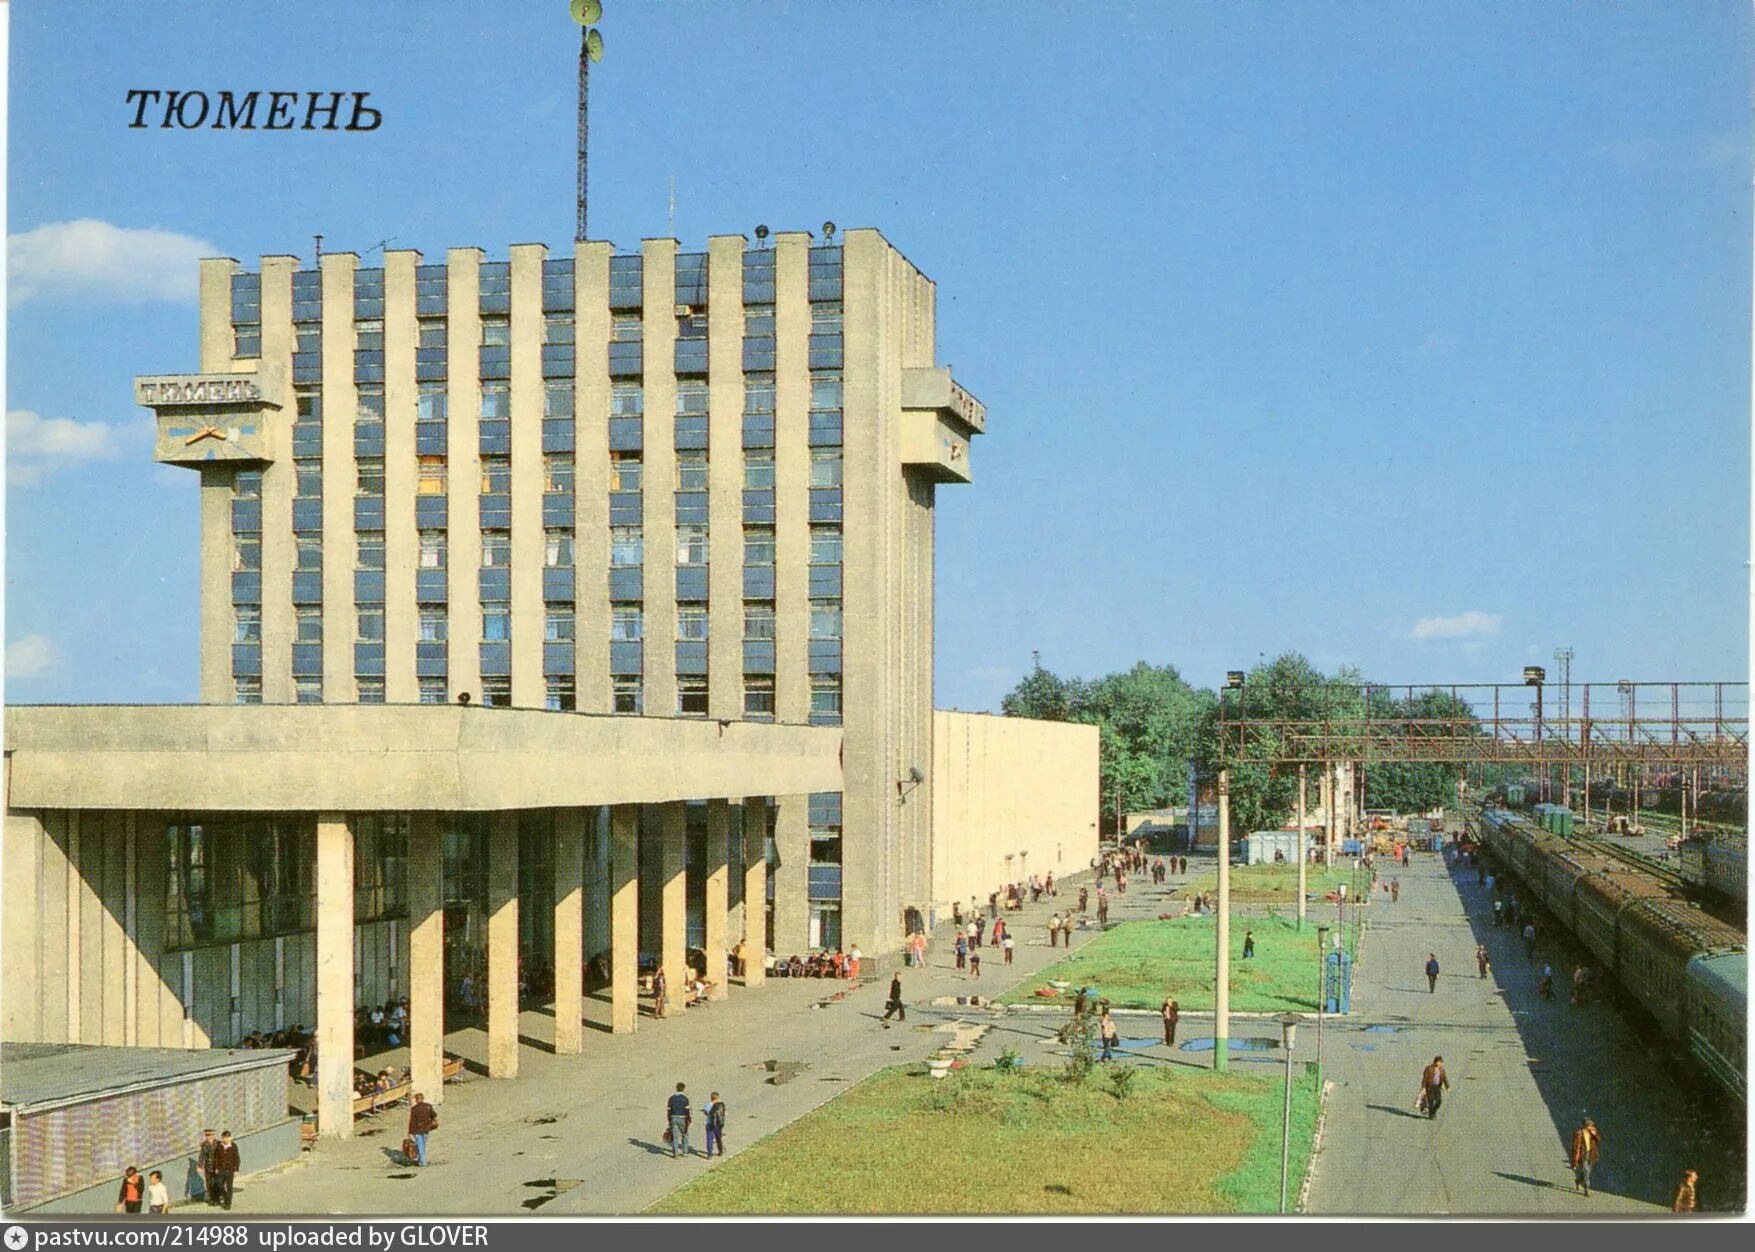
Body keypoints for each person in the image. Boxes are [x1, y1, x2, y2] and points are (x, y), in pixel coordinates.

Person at [407, 1092, 438, 1168]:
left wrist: (410, 1131)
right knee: (423, 1145)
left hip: (417, 1129)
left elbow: (412, 1121)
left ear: (416, 1100)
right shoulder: (428, 1106)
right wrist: (436, 1123)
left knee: (420, 1145)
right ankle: (421, 1161)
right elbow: (433, 1115)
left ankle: (423, 1162)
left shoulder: (414, 1109)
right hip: (426, 1128)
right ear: (422, 1098)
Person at [1570, 1117, 1600, 1196]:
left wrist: (1594, 1134)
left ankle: (1578, 1181)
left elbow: (1598, 1140)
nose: (1591, 1127)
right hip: (1583, 1155)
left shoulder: (1592, 1131)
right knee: (1586, 1172)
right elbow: (1575, 1147)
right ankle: (1587, 1188)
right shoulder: (1578, 1133)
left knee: (1588, 1171)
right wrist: (1574, 1161)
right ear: (1585, 1126)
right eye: (1589, 1125)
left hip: (1591, 1154)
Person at [212, 1131, 240, 1210]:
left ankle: (228, 1204)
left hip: (230, 1170)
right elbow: (216, 1158)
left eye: (225, 1138)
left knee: (229, 1187)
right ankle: (225, 1196)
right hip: (221, 1169)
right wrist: (216, 1167)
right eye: (223, 1137)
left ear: (229, 1137)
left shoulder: (233, 1146)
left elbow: (237, 1158)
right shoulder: (219, 1146)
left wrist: (236, 1169)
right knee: (218, 1184)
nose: (224, 1139)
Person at [666, 1082, 692, 1159]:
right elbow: (687, 1110)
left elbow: (669, 1110)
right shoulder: (685, 1099)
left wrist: (669, 1120)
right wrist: (689, 1119)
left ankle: (675, 1153)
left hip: (673, 1117)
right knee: (685, 1134)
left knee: (675, 1136)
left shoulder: (671, 1098)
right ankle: (685, 1152)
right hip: (682, 1118)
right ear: (683, 1089)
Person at [196, 1128, 218, 1204]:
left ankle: (217, 1197)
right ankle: (211, 1199)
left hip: (217, 1166)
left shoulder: (217, 1143)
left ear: (212, 1135)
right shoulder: (204, 1144)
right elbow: (202, 1156)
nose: (207, 1136)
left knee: (217, 1182)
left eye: (209, 1135)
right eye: (206, 1135)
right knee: (209, 1183)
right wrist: (200, 1166)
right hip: (208, 1166)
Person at [704, 1092, 727, 1159]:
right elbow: (724, 1113)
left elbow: (706, 1112)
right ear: (718, 1097)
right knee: (718, 1138)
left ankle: (709, 1154)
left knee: (709, 1139)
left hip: (710, 1123)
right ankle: (720, 1151)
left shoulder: (708, 1105)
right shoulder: (721, 1105)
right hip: (718, 1124)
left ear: (711, 1098)